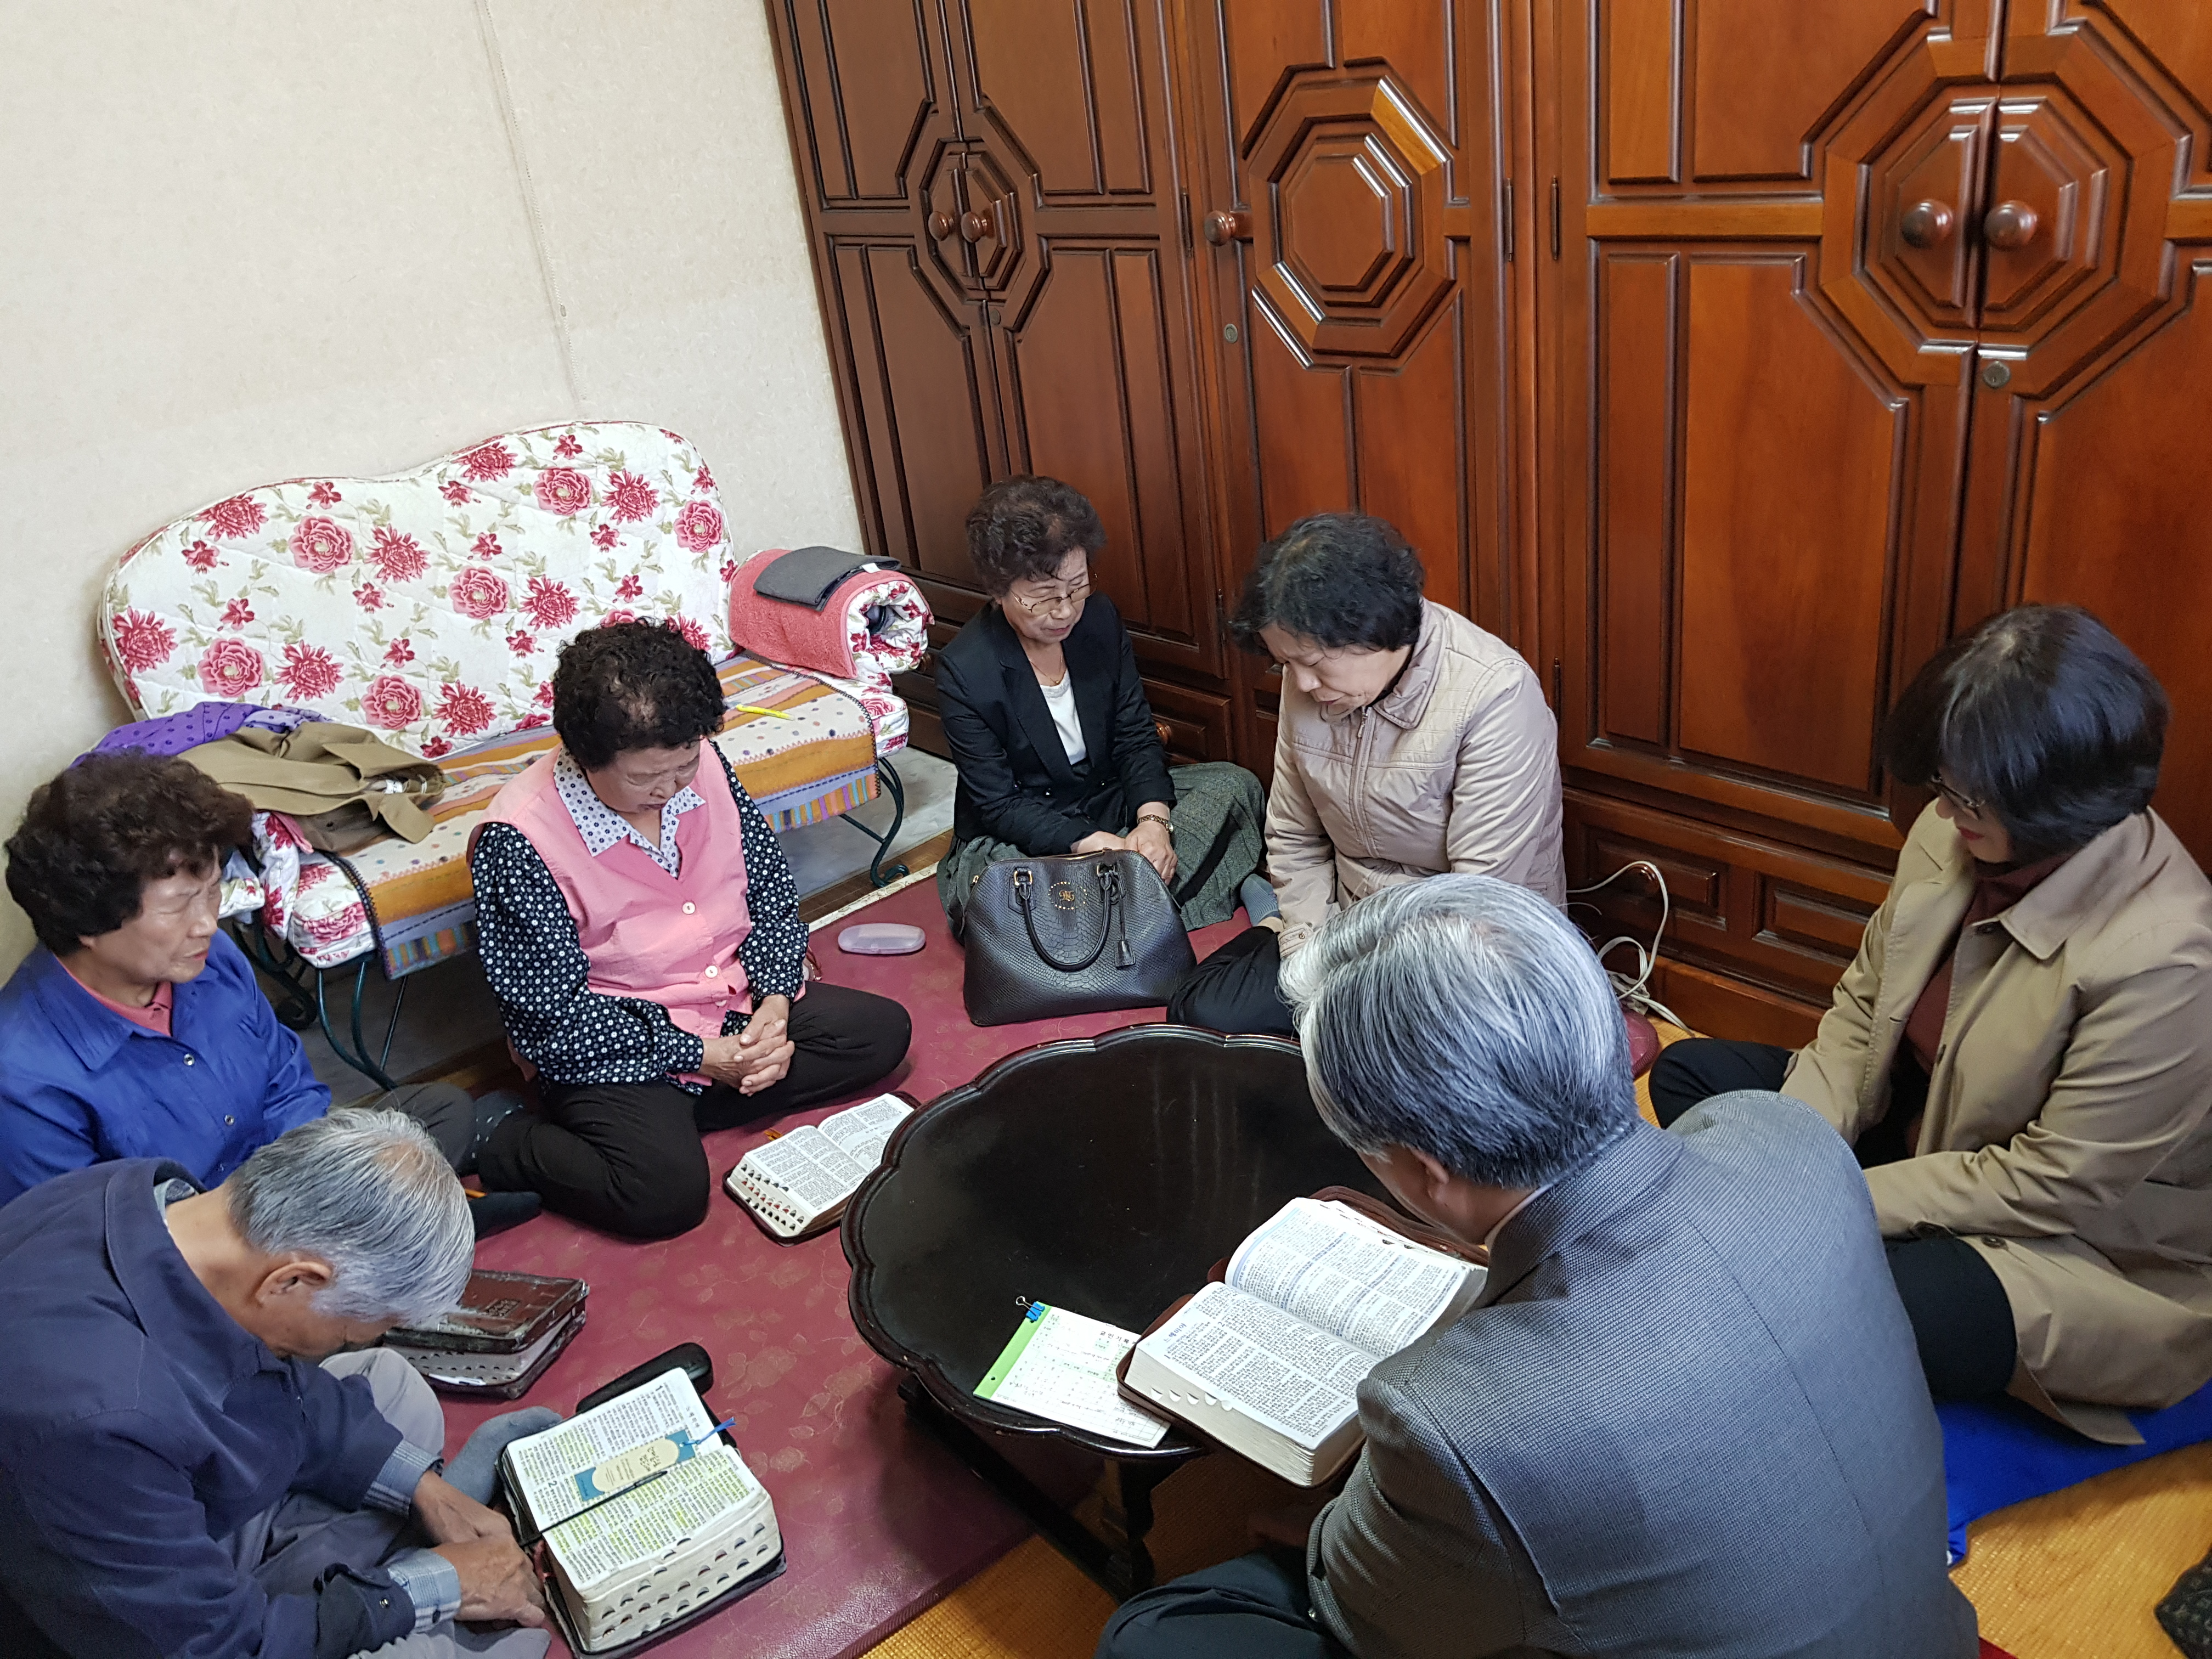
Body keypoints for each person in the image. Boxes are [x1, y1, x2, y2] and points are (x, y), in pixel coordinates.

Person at [1103, 877, 1979, 1659]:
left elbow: (1368, 1615)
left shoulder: (1452, 1419)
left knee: (1153, 1633)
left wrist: (1340, 1522)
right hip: (1931, 1630)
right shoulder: (1784, 1135)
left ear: (1425, 1171)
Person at [1647, 605, 2212, 1443]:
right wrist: (1795, 1159)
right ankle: (1792, 1268)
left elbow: (2049, 1183)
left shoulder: (2167, 958)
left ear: (2060, 800)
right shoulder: (1955, 836)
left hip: (2074, 1239)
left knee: (1904, 1302)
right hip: (1923, 1136)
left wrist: (1828, 1199)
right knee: (1692, 1077)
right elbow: (1859, 1013)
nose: (1945, 812)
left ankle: (1795, 1278)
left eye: (1967, 793)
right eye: (1945, 785)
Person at [0, 1108, 560, 1659]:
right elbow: (218, 1648)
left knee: (393, 1386)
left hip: (153, 1510)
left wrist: (422, 1488)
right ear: (292, 1280)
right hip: (113, 1621)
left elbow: (276, 1381)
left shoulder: (148, 1198)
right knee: (483, 1647)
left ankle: (356, 1583)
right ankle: (369, 1593)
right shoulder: (93, 1423)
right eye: (347, 1335)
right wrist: (428, 1589)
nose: (344, 1346)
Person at [469, 620, 912, 1238]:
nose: (669, 789)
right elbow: (552, 1020)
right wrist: (703, 1056)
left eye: (684, 766)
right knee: (663, 1198)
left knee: (882, 1034)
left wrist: (774, 1004)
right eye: (644, 778)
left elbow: (769, 891)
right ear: (583, 754)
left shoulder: (698, 764)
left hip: (728, 1002)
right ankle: (502, 1135)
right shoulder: (517, 840)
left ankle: (686, 1104)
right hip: (617, 1037)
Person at [0, 753, 533, 1231]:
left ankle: (399, 1222)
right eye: (179, 904)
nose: (206, 923)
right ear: (88, 921)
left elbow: (288, 1085)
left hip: (289, 1184)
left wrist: (323, 1177)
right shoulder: (23, 1075)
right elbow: (91, 1247)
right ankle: (414, 1224)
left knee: (439, 1110)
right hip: (198, 1252)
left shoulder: (209, 957)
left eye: (213, 891)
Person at [1167, 514, 1564, 1037]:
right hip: (1344, 923)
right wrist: (1307, 956)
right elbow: (1294, 836)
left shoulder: (1496, 695)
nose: (1302, 684)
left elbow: (1476, 903)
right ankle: (1275, 923)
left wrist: (1357, 992)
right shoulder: (1309, 681)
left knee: (1397, 1056)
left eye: (1314, 663)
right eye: (1286, 664)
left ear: (1377, 630)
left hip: (1462, 953)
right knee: (1200, 1014)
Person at [935, 475, 1266, 932]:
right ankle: (1143, 908)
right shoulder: (966, 669)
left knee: (1234, 787)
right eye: (1043, 598)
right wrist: (1089, 843)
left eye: (1076, 586)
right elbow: (998, 804)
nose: (1065, 610)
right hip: (1028, 830)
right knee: (998, 888)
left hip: (1107, 801)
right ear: (998, 589)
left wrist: (1153, 823)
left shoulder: (1099, 619)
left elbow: (1135, 735)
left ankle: (1101, 921)